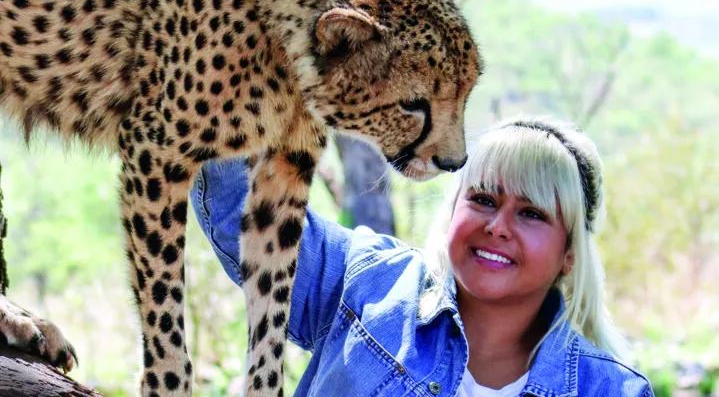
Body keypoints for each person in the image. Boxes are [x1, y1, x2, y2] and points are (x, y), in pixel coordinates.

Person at [190, 116, 654, 396]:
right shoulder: (366, 282)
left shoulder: (610, 390)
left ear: (569, 253)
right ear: (453, 210)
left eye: (531, 213)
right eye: (484, 200)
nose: (497, 226)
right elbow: (243, 210)